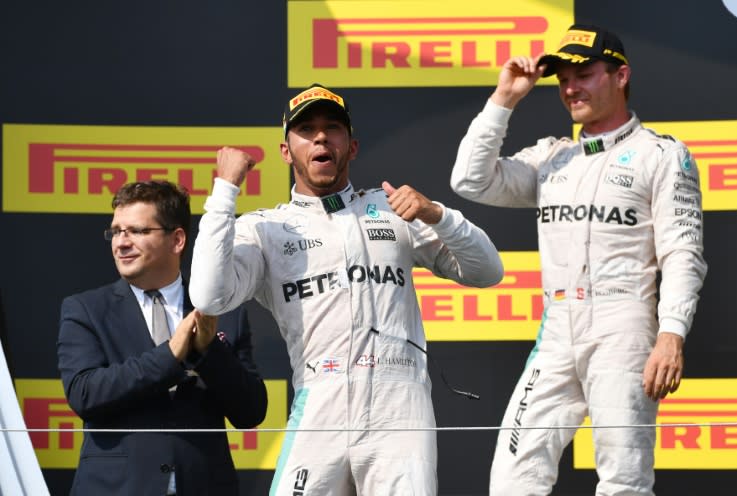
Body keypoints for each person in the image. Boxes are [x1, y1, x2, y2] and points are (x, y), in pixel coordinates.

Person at [189, 83, 504, 495]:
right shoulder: (264, 228)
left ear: (351, 146)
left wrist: (438, 214)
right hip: (320, 401)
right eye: (306, 130)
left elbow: (488, 271)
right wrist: (225, 192)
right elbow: (208, 297)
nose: (320, 137)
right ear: (287, 151)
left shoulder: (393, 210)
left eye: (332, 128)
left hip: (400, 406)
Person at [450, 24, 707, 495]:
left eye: (584, 74)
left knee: (623, 478)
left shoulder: (662, 154)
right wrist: (504, 98)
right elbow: (470, 180)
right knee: (512, 475)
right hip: (556, 325)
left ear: (620, 75)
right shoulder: (553, 158)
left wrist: (671, 334)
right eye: (563, 78)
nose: (570, 88)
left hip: (623, 324)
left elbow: (683, 252)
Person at [58, 180, 268, 496]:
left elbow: (251, 411)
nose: (121, 243)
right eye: (116, 231)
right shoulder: (85, 309)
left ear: (177, 240)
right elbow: (86, 394)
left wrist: (207, 351)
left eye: (137, 231)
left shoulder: (222, 310)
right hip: (115, 488)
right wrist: (170, 355)